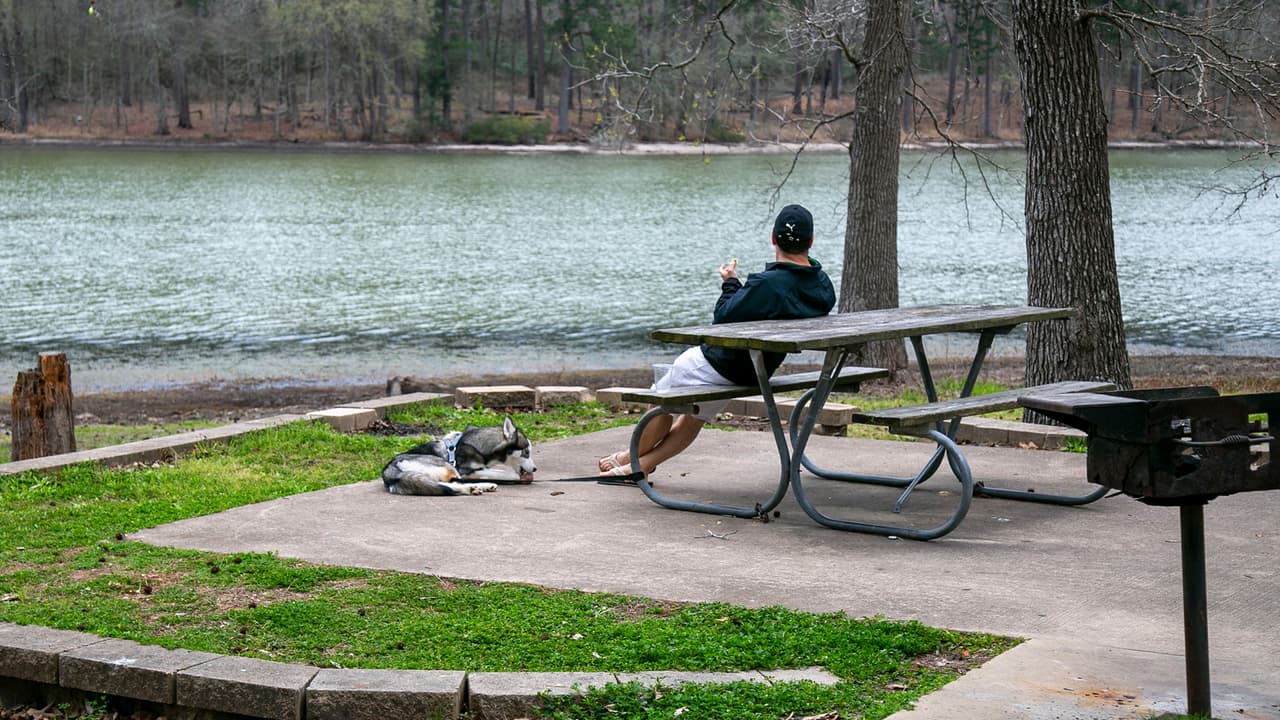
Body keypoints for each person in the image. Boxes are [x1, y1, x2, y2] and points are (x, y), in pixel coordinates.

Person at [599, 204, 836, 478]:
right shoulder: (822, 287)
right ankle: (637, 465)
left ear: (773, 238)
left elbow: (723, 317)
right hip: (754, 372)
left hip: (715, 364)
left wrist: (730, 283)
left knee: (660, 404)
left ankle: (630, 457)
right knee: (693, 420)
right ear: (811, 241)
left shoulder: (767, 285)